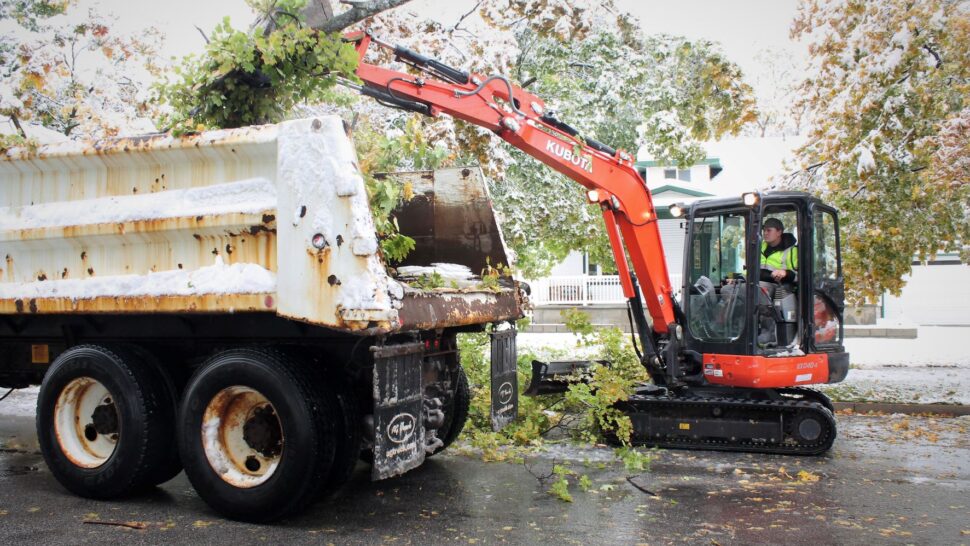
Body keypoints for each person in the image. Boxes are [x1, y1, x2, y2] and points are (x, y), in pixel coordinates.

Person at [760, 218, 797, 283]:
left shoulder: (791, 251)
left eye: (769, 230)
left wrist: (785, 273)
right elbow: (749, 270)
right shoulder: (759, 247)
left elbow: (798, 275)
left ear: (779, 232)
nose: (765, 233)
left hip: (781, 289)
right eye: (764, 230)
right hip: (757, 287)